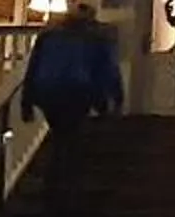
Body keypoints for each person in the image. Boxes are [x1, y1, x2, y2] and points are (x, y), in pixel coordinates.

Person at [19, 8, 123, 139]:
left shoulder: (48, 36)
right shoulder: (95, 38)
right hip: (78, 90)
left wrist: (26, 102)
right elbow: (108, 69)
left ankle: (59, 151)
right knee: (72, 130)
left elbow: (32, 68)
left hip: (47, 89)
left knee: (59, 129)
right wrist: (111, 101)